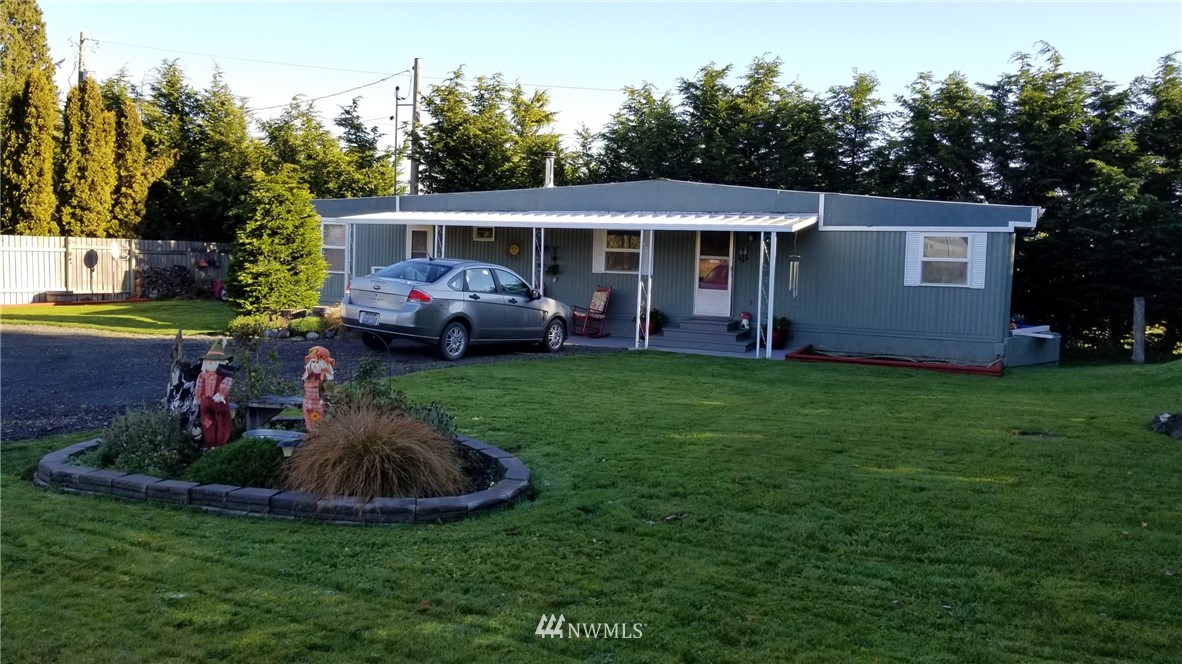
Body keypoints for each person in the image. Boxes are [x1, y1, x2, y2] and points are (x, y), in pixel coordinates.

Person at [196, 340, 235, 448]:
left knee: (222, 421)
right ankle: (210, 443)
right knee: (207, 422)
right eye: (209, 361)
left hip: (219, 401)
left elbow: (226, 383)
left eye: (215, 361)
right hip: (205, 401)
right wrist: (198, 398)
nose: (211, 363)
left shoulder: (224, 375)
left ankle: (221, 443)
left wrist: (221, 394)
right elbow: (199, 386)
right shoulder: (202, 375)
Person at [302, 346, 335, 430]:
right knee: (310, 427)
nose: (315, 365)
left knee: (321, 427)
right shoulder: (307, 377)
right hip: (308, 405)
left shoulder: (325, 378)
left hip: (320, 406)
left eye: (317, 362)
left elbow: (329, 392)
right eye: (313, 362)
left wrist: (324, 401)